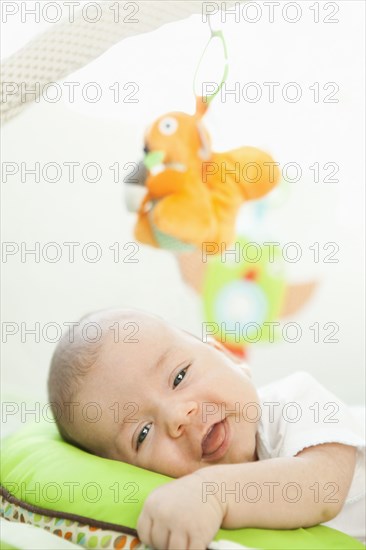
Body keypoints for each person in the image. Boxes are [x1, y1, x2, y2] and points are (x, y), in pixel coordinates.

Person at [48, 308, 366, 550]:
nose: (177, 416)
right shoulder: (203, 518)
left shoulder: (293, 402)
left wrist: (211, 491)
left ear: (224, 354)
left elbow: (321, 487)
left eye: (179, 377)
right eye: (142, 433)